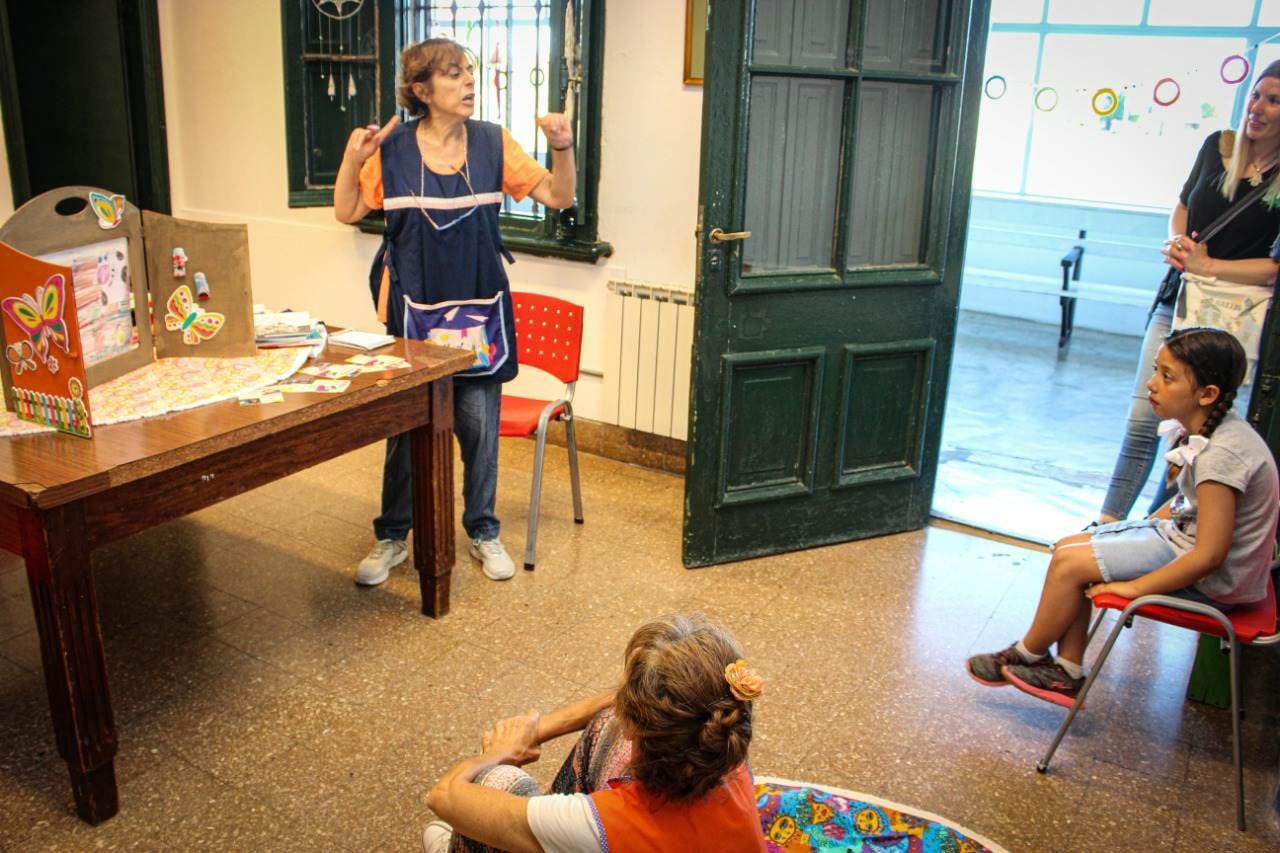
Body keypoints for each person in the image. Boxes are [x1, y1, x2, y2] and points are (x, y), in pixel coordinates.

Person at [334, 39, 576, 585]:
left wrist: (563, 147)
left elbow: (559, 197)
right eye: (454, 74)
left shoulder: (492, 144)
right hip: (413, 319)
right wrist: (355, 157)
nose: (469, 82)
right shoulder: (391, 154)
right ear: (421, 90)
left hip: (479, 316)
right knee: (405, 432)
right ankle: (393, 536)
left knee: (479, 428)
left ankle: (484, 531)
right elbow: (347, 209)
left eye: (469, 72)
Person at [970, 327, 1279, 708]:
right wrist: (1120, 534)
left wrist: (1136, 587)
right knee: (1070, 547)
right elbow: (1185, 507)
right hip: (1185, 543)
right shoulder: (1214, 428)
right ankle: (1065, 668)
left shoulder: (1222, 457)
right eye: (1155, 371)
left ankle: (1027, 653)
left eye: (1167, 377)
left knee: (1072, 565)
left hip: (1216, 580)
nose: (1151, 384)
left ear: (1208, 394)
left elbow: (1210, 555)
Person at [1098, 61, 1280, 524]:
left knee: (1193, 431)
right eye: (1256, 95)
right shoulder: (1217, 146)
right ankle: (1106, 524)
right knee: (1145, 415)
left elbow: (1276, 268)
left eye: (1273, 101)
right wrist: (1179, 241)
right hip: (1179, 301)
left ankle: (1160, 527)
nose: (1257, 108)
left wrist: (1211, 265)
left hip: (1238, 315)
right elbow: (1182, 205)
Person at [422, 613, 767, 852]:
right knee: (606, 723)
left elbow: (444, 795)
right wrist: (539, 729)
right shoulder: (722, 745)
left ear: (636, 725)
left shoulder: (603, 824)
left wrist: (499, 753)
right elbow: (626, 702)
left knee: (495, 781)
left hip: (611, 835)